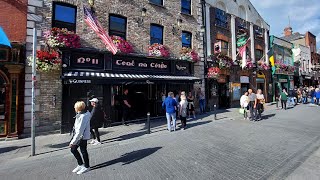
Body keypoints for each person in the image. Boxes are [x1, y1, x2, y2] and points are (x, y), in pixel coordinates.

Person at [70, 101, 91, 175]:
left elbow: (80, 130)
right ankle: (81, 164)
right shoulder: (82, 114)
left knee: (77, 149)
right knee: (78, 150)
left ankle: (86, 166)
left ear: (78, 108)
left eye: (75, 107)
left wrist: (73, 142)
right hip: (80, 136)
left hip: (82, 136)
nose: (74, 108)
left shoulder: (83, 116)